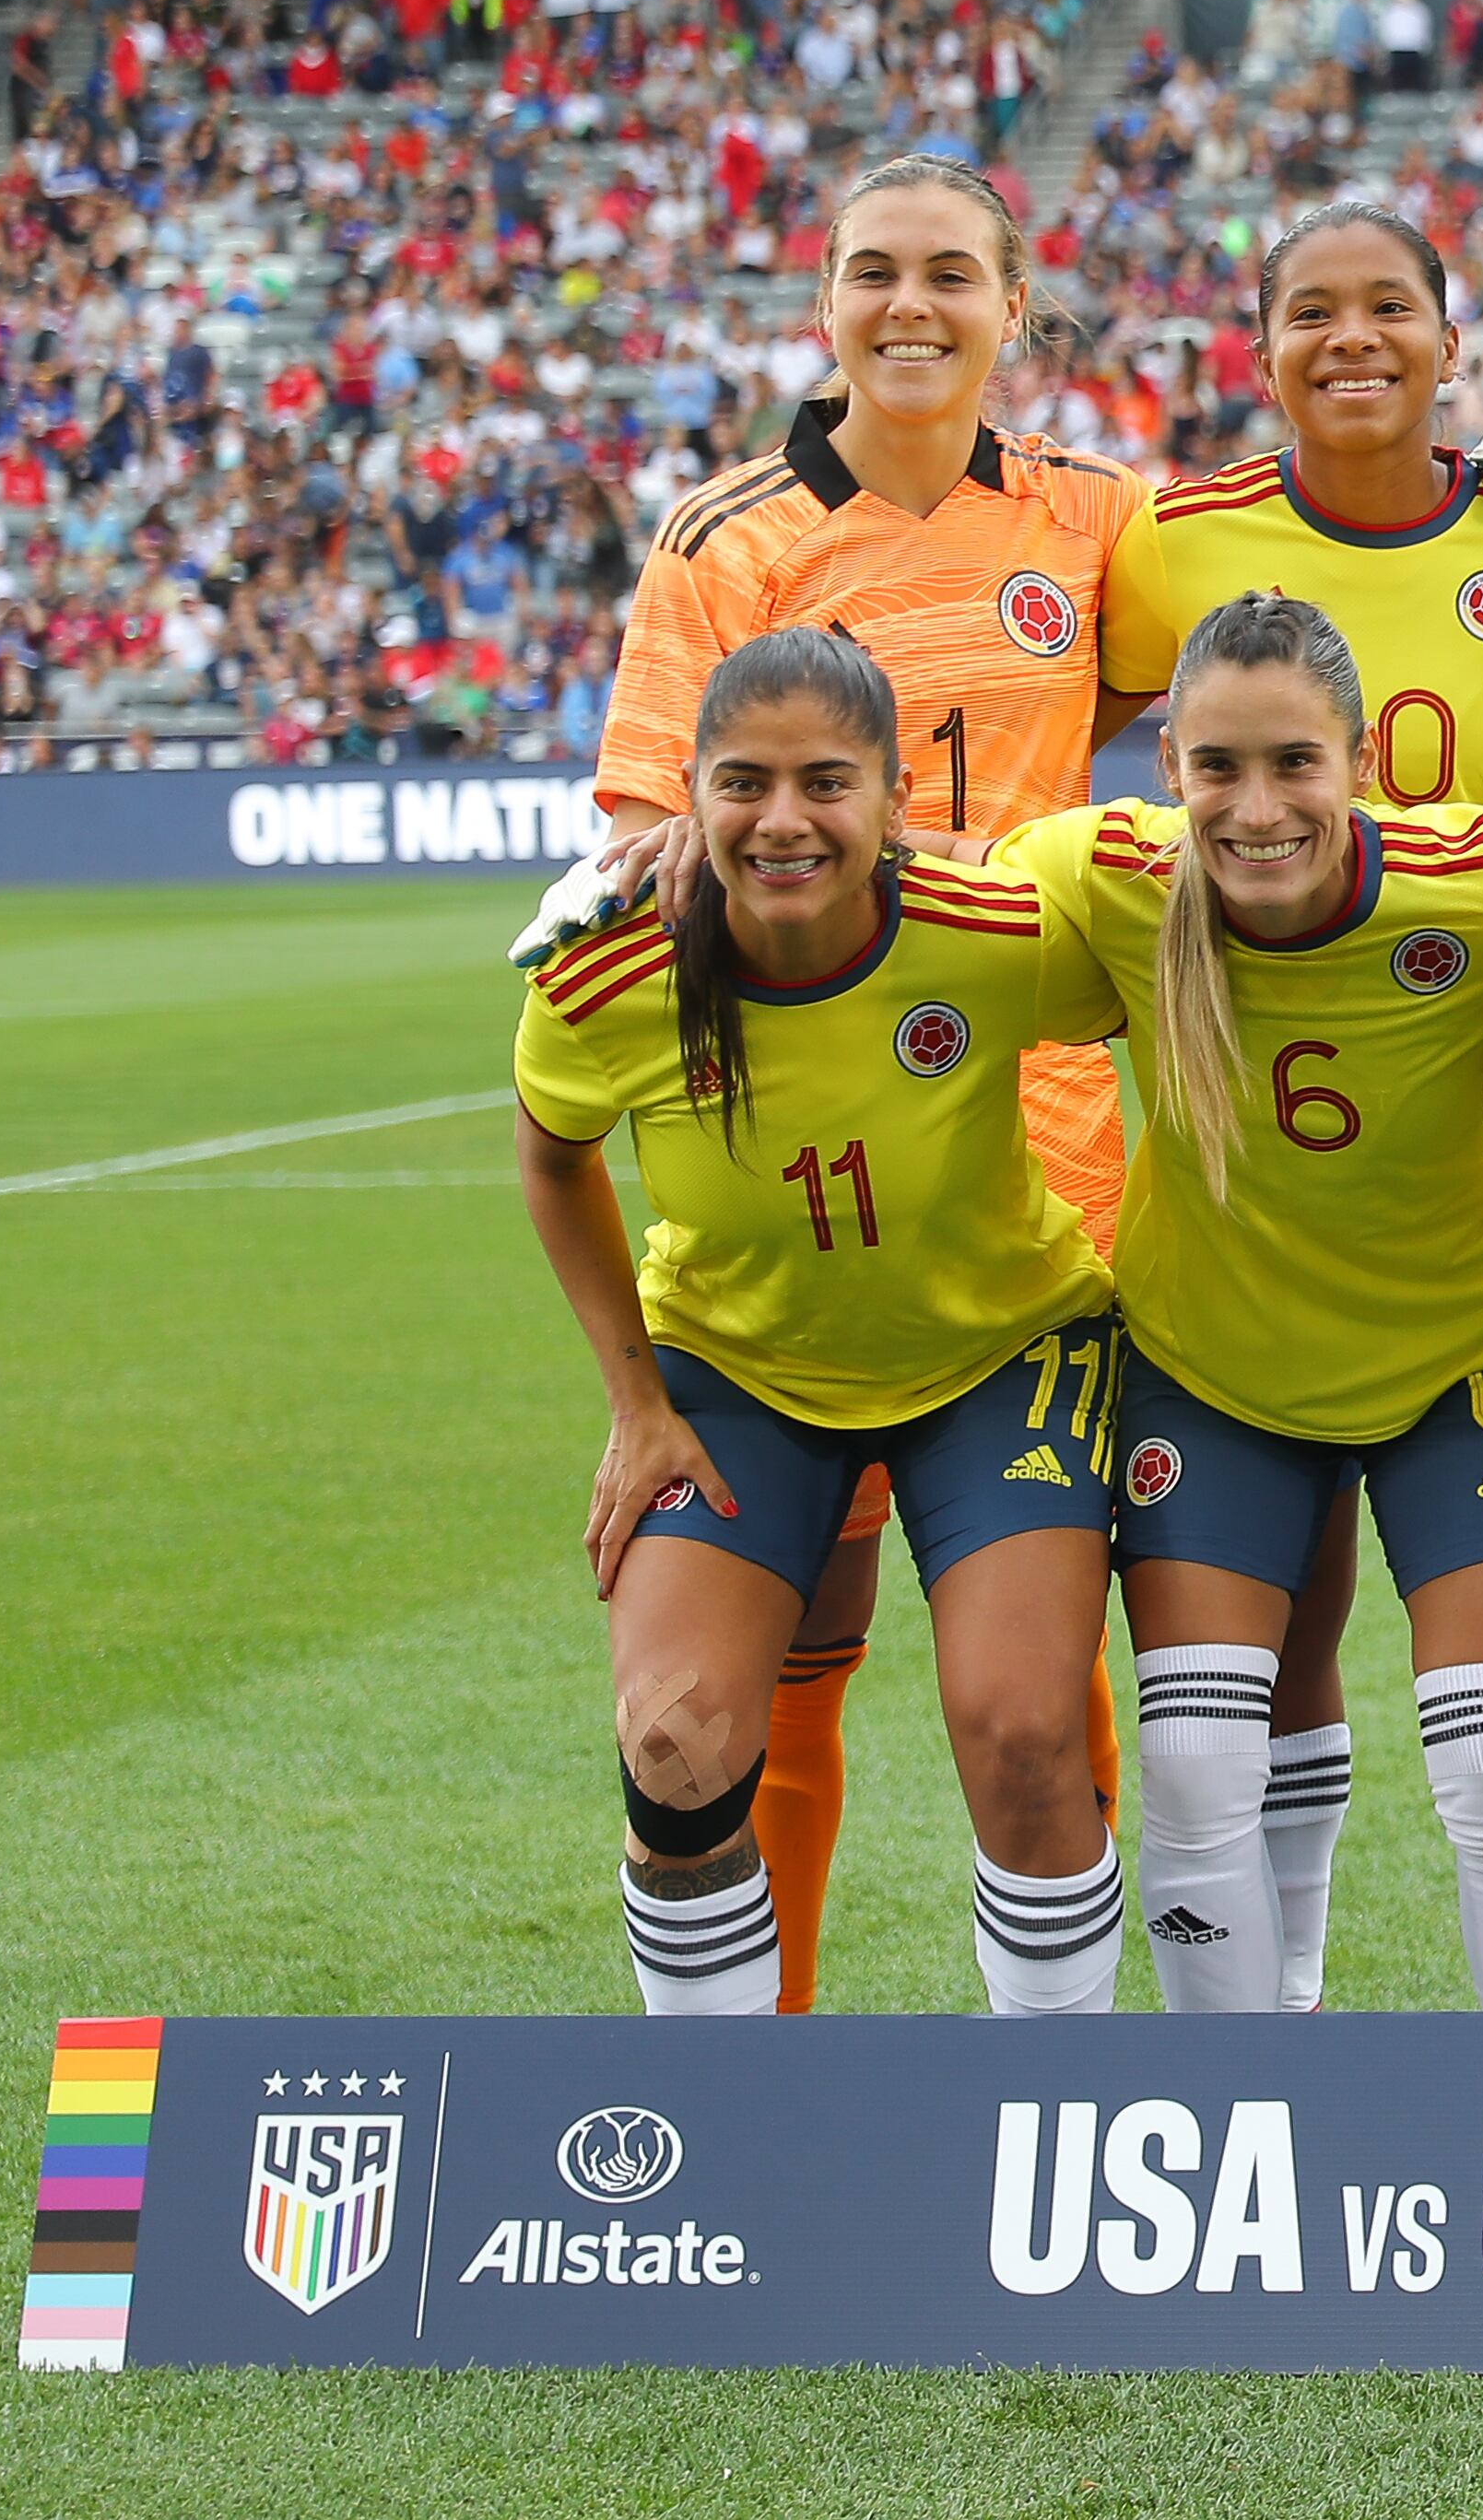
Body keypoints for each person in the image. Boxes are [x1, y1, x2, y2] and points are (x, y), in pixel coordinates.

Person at [583, 153, 1151, 2014]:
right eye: (873, 275)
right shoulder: (727, 540)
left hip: (1043, 1163)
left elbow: (1296, 580)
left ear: (1012, 307)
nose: (912, 308)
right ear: (822, 305)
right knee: (790, 1647)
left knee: (1033, 1682)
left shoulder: (1093, 522)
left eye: (951, 277)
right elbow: (656, 831)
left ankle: (1050, 2102)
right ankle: (776, 2066)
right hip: (799, 1172)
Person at [1101, 196, 1483, 2008]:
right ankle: (1286, 2022)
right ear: (1257, 349)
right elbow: (1050, 725)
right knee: (1283, 1603)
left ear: (1447, 338)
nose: (1352, 338)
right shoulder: (1171, 546)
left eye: (1389, 308)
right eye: (1310, 313)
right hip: (1254, 1165)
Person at [995, 594, 1483, 2012]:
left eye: (1293, 763)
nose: (1255, 807)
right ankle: (1247, 2116)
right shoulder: (1108, 880)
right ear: (1166, 768)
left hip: (1460, 1366)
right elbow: (897, 891)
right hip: (1211, 1371)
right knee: (1196, 1768)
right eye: (1216, 766)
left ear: (1366, 760)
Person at [514, 627, 1126, 2018]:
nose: (782, 820)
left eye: (826, 783)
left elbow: (1182, 963)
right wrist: (636, 1402)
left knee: (1027, 1731)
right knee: (673, 1744)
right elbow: (553, 1156)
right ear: (690, 793)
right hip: (737, 1373)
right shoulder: (602, 974)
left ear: (897, 799)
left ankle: (1048, 2110)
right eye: (743, 782)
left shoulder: (991, 929)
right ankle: (729, 2140)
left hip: (998, 1352)